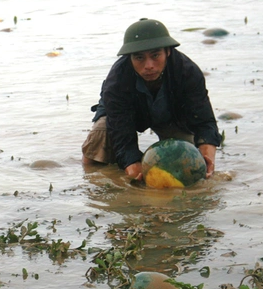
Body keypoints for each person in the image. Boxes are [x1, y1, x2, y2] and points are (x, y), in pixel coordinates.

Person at [82, 18, 221, 180]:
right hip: (125, 116)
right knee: (97, 145)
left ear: (168, 52)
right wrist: (132, 166)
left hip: (172, 117)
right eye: (139, 58)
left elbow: (204, 122)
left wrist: (206, 157)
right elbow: (122, 136)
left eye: (155, 55)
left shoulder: (187, 71)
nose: (149, 65)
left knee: (191, 165)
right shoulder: (117, 81)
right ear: (130, 58)